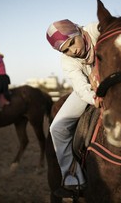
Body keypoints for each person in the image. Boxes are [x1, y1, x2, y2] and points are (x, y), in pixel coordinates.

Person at [46, 19, 100, 197]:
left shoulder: (98, 29)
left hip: (117, 81)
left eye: (72, 43)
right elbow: (81, 87)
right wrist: (96, 98)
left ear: (78, 29)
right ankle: (73, 177)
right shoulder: (67, 61)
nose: (73, 51)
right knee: (57, 127)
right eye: (66, 50)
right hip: (88, 90)